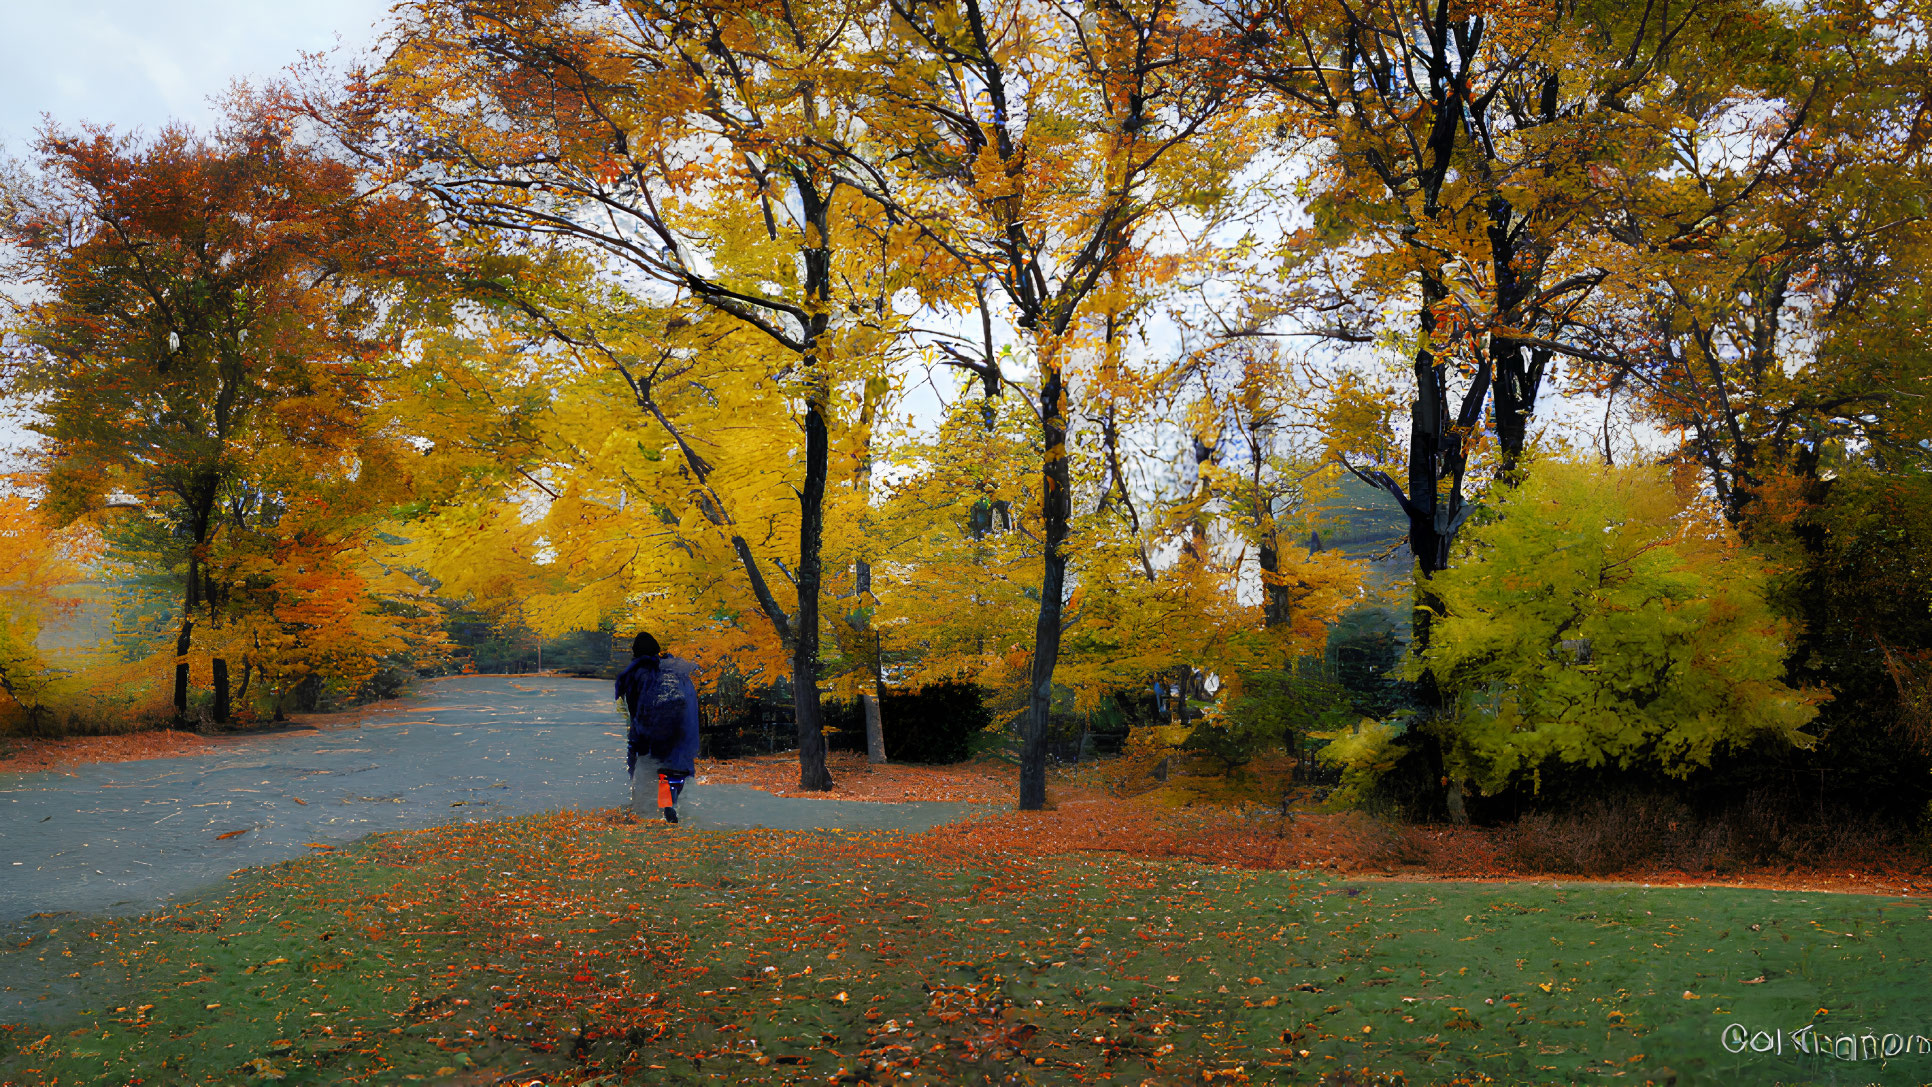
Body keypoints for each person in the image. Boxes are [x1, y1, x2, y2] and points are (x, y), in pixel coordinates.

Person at [614, 632, 700, 823]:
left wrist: (636, 740)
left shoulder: (636, 674)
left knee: (650, 769)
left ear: (635, 652)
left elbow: (635, 709)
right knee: (671, 770)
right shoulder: (675, 671)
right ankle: (669, 805)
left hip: (651, 730)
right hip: (681, 729)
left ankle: (653, 808)